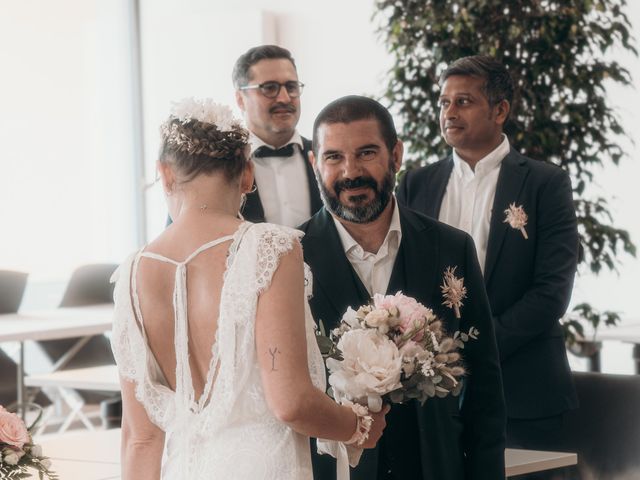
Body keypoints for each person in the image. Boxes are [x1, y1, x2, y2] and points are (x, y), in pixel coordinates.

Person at [110, 98, 387, 480]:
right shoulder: (268, 247)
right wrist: (356, 426)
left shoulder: (132, 273)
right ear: (247, 175)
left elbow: (139, 439)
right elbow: (290, 402)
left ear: (165, 173)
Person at [300, 95, 506, 480]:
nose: (350, 172)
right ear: (314, 164)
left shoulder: (452, 247)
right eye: (333, 157)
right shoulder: (289, 257)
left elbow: (485, 392)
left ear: (396, 154)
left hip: (434, 466)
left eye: (366, 153)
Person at [397, 55, 579, 454]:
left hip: (523, 389)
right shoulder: (415, 184)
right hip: (430, 394)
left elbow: (552, 291)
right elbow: (401, 279)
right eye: (444, 102)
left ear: (500, 110)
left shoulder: (546, 183)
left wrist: (476, 346)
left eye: (463, 101)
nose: (449, 112)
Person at [233, 45, 322, 226]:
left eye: (291, 86)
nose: (284, 98)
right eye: (269, 88)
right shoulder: (220, 165)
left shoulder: (326, 155)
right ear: (240, 99)